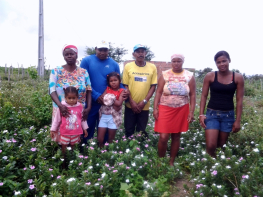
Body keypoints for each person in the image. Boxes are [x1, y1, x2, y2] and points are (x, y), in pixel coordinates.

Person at [80, 40, 128, 143]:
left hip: (108, 104)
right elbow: (82, 81)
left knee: (105, 130)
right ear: (95, 49)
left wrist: (124, 91)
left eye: (105, 50)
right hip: (91, 102)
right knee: (88, 127)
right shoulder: (87, 61)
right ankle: (86, 151)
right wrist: (96, 96)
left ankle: (103, 152)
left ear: (108, 50)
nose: (102, 52)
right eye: (100, 50)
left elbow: (118, 82)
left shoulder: (114, 64)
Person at [199, 51, 244, 157]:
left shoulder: (237, 77)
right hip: (212, 114)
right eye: (218, 62)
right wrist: (201, 114)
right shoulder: (210, 76)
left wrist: (237, 121)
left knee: (221, 145)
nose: (221, 64)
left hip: (228, 115)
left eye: (224, 61)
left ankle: (217, 168)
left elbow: (239, 100)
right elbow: (203, 96)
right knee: (211, 145)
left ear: (229, 60)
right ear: (216, 64)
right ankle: (208, 168)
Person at [153, 54, 196, 166]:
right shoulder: (165, 75)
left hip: (182, 109)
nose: (176, 63)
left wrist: (191, 112)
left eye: (179, 61)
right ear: (171, 62)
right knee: (163, 137)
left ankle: (171, 162)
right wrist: (155, 108)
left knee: (176, 136)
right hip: (165, 108)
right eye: (174, 61)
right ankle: (160, 161)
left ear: (183, 62)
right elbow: (158, 92)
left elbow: (192, 95)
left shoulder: (189, 76)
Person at [49, 44, 92, 144]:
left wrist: (88, 107)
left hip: (79, 110)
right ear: (63, 56)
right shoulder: (56, 71)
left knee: (75, 137)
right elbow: (52, 90)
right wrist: (60, 106)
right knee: (61, 138)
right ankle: (62, 156)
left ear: (76, 55)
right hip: (61, 110)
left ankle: (76, 155)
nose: (69, 56)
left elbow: (89, 90)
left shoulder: (83, 72)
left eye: (71, 54)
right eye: (66, 54)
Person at [123, 44, 157, 138]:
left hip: (144, 106)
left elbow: (153, 86)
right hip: (130, 105)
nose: (140, 54)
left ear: (145, 53)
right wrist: (131, 102)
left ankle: (139, 150)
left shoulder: (152, 67)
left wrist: (144, 102)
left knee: (141, 131)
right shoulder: (128, 66)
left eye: (142, 51)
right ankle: (128, 151)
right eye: (138, 52)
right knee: (128, 130)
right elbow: (125, 85)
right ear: (133, 54)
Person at [50, 86, 88, 158]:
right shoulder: (62, 106)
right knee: (64, 148)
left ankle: (72, 162)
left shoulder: (80, 106)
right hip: (65, 133)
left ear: (77, 97)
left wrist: (85, 128)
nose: (71, 100)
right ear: (65, 97)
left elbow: (82, 118)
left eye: (74, 98)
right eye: (69, 98)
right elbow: (57, 119)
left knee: (73, 148)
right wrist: (53, 129)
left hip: (76, 133)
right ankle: (64, 163)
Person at [97, 72, 125, 147]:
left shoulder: (122, 91)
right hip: (104, 116)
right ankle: (100, 152)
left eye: (115, 80)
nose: (113, 82)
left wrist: (108, 99)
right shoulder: (107, 89)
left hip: (113, 118)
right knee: (100, 139)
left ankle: (109, 154)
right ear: (109, 82)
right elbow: (102, 100)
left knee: (111, 139)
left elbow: (119, 104)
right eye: (111, 81)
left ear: (120, 81)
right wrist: (113, 100)